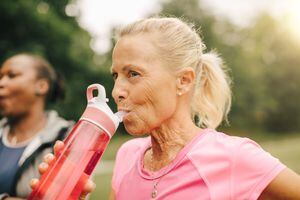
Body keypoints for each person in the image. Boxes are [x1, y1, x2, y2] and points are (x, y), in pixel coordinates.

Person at [32, 17, 300, 199]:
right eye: (116, 76)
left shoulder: (233, 157)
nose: (116, 92)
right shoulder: (127, 155)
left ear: (183, 81)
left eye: (133, 74)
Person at [0, 53, 73, 199]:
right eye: (1, 77)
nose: (1, 83)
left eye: (12, 75)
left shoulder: (67, 137)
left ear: (41, 86)